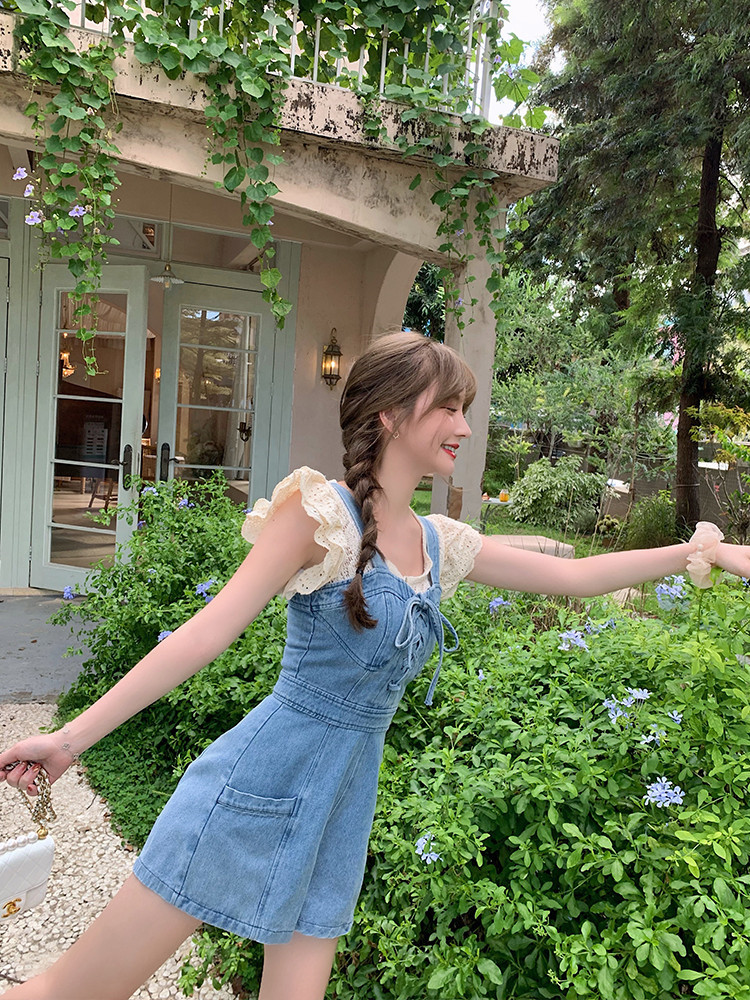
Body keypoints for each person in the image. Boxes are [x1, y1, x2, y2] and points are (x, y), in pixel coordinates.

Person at [0, 331, 746, 1000]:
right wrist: (68, 740)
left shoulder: (439, 540)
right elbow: (204, 635)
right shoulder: (320, 514)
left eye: (464, 409)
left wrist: (698, 552)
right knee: (72, 994)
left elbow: (575, 577)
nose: (464, 426)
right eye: (447, 407)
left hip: (340, 806)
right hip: (254, 787)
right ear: (389, 415)